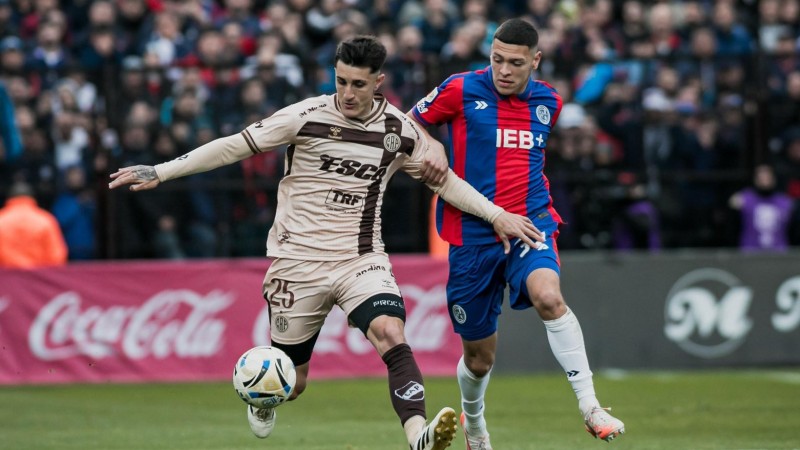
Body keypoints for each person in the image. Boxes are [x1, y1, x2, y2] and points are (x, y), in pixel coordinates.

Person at [109, 35, 543, 450]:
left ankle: (417, 436)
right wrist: (161, 171)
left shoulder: (399, 131)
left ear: (378, 82)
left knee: (391, 333)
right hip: (298, 262)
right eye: (341, 81)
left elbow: (445, 183)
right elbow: (233, 147)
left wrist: (498, 215)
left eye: (358, 84)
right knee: (292, 383)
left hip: (361, 258)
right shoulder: (307, 116)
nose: (348, 93)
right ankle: (263, 396)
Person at [409, 19, 626, 449]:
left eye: (514, 63)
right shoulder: (461, 89)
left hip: (530, 222)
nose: (503, 71)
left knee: (549, 296)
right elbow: (409, 123)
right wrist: (431, 143)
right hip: (471, 235)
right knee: (479, 357)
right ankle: (475, 426)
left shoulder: (549, 102)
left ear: (535, 61)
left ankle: (590, 407)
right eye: (496, 60)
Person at [0, 181, 68, 268]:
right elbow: (57, 257)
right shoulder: (45, 220)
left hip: (5, 278)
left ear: (9, 199)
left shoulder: (2, 219)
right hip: (37, 278)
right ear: (33, 198)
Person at [729, 164, 795, 252]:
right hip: (750, 252)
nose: (764, 180)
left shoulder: (785, 202)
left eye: (767, 176)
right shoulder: (743, 198)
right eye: (761, 177)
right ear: (755, 179)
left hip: (779, 253)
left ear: (774, 178)